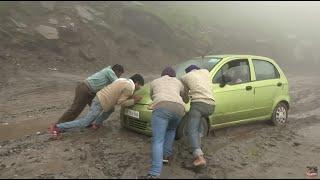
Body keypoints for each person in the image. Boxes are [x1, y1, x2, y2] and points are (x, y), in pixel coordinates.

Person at [50, 74, 144, 139]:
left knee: (110, 109)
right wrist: (134, 101)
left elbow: (117, 92)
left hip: (100, 97)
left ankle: (97, 124)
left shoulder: (122, 80)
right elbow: (121, 102)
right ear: (137, 83)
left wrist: (131, 96)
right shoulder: (130, 87)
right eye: (139, 87)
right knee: (85, 122)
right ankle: (58, 127)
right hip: (101, 102)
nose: (138, 89)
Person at [146, 67, 188, 179]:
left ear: (162, 75)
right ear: (174, 76)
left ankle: (154, 173)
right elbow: (183, 95)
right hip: (179, 108)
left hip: (162, 106)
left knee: (158, 140)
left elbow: (152, 96)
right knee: (171, 130)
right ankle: (166, 156)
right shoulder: (178, 82)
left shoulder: (155, 82)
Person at [57, 64, 124, 124]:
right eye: (119, 74)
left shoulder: (109, 74)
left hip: (91, 92)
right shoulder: (109, 71)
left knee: (96, 108)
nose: (119, 76)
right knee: (75, 109)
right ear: (116, 71)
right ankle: (58, 125)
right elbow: (118, 83)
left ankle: (89, 122)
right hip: (85, 89)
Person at [180, 65, 215, 168]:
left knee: (192, 130)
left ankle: (200, 158)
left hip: (198, 105)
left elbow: (186, 98)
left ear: (188, 72)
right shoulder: (206, 72)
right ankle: (197, 149)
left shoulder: (185, 77)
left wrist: (185, 98)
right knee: (199, 129)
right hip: (211, 106)